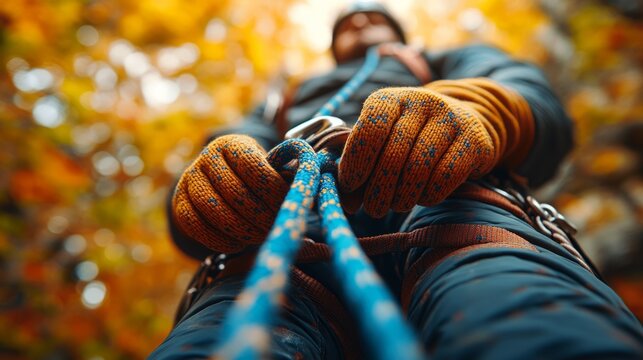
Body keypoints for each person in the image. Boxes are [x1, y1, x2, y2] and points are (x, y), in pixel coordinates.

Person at [151, 2, 643, 359]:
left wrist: (474, 111)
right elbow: (222, 159)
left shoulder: (445, 61)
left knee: (529, 323)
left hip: (455, 207)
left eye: (374, 18)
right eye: (349, 22)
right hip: (286, 233)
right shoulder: (282, 100)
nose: (361, 21)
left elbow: (534, 102)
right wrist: (211, 184)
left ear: (400, 34)